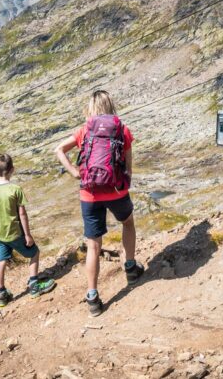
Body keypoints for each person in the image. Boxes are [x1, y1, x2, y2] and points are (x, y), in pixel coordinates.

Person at [54, 90, 144, 316]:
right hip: (116, 190)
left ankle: (93, 297)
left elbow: (58, 150)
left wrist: (75, 172)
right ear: (110, 106)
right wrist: (125, 181)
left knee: (93, 245)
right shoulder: (122, 129)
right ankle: (131, 268)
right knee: (128, 223)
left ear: (91, 109)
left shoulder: (85, 130)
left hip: (89, 193)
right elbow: (129, 166)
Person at [0, 153, 57, 306]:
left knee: (1, 261)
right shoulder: (15, 189)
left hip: (0, 235)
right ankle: (34, 286)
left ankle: (1, 293)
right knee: (35, 253)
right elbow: (22, 214)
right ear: (13, 170)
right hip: (16, 234)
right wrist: (28, 235)